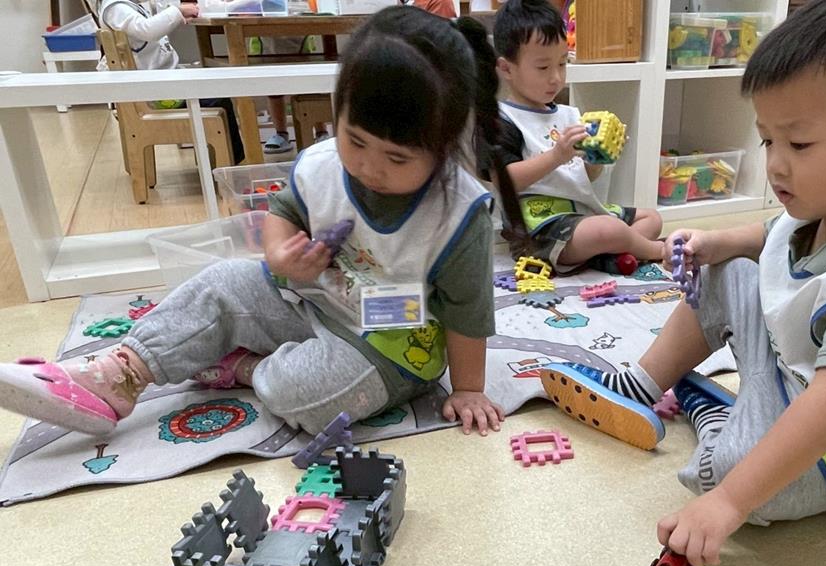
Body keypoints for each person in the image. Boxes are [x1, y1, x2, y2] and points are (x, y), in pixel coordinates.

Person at [541, 0, 826, 566]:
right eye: (768, 141)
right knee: (727, 266)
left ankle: (716, 416)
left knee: (725, 475)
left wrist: (726, 504)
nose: (774, 165)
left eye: (798, 144)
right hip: (799, 377)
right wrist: (715, 243)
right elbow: (774, 235)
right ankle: (640, 385)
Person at [0, 6, 525, 439]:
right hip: (312, 298)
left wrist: (468, 388)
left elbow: (467, 313)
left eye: (397, 158)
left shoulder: (458, 215)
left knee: (309, 396)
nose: (370, 167)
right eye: (356, 141)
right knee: (221, 281)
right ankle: (120, 374)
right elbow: (284, 213)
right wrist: (280, 255)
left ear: (444, 147)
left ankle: (244, 367)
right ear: (339, 111)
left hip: (390, 339)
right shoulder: (323, 165)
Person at [490, 0, 663, 273]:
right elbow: (504, 181)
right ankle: (658, 251)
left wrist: (598, 158)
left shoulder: (569, 115)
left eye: (562, 64)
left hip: (582, 212)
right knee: (609, 229)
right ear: (507, 68)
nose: (556, 77)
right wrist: (556, 156)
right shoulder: (505, 119)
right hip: (541, 229)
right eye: (543, 67)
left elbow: (585, 177)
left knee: (651, 218)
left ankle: (602, 257)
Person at [97, 0, 245, 163]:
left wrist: (178, 13)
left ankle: (218, 160)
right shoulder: (115, 8)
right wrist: (177, 11)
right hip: (158, 95)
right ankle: (233, 164)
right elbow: (147, 29)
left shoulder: (126, 6)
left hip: (161, 87)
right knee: (219, 100)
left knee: (213, 88)